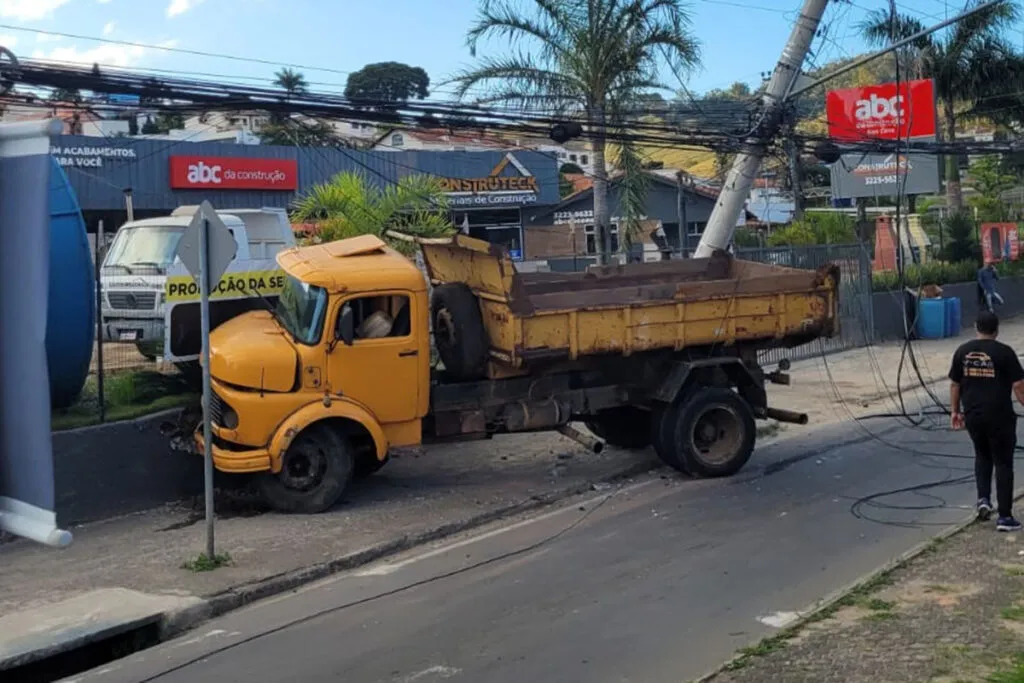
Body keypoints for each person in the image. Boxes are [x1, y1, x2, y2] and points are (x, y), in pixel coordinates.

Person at [949, 311, 1024, 531]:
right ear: (997, 330)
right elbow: (1019, 386)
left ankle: (983, 499)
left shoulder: (962, 351)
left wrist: (955, 411)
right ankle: (1005, 517)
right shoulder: (1004, 353)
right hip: (1000, 416)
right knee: (1003, 462)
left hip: (973, 415)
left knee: (982, 456)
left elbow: (955, 384)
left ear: (976, 327)